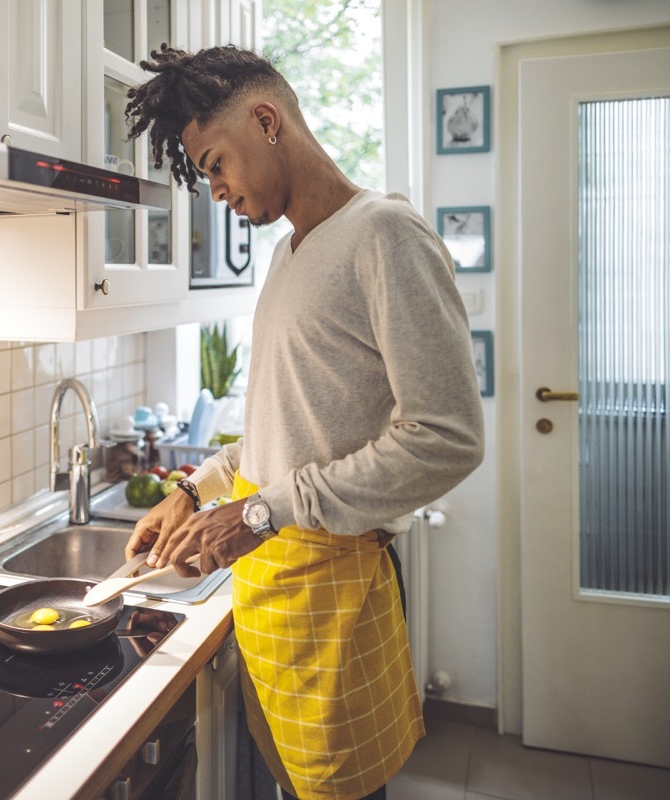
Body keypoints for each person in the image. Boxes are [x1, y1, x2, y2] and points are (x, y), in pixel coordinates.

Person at [122, 45, 485, 800]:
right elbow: (281, 427)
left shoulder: (385, 235)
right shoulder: (289, 256)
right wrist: (192, 489)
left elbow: (447, 437)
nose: (214, 190)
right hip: (276, 595)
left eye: (216, 164)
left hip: (333, 601)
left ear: (266, 119)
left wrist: (260, 512)